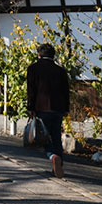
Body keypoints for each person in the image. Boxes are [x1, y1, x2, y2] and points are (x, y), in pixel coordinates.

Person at [27, 42, 70, 178]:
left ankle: (52, 157)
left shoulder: (33, 69)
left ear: (39, 55)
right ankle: (59, 164)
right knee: (56, 137)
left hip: (41, 108)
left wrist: (30, 108)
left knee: (44, 138)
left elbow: (31, 91)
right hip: (58, 109)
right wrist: (66, 108)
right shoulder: (61, 71)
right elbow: (66, 92)